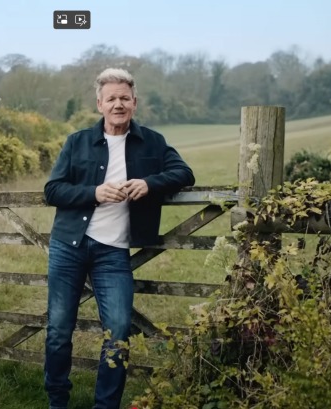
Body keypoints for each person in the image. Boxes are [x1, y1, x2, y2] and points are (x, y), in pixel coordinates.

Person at [43, 67, 196, 409]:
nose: (118, 104)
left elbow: (184, 172)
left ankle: (106, 405)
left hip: (113, 253)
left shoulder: (153, 142)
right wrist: (94, 193)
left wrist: (150, 184)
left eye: (124, 98)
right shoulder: (77, 141)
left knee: (119, 330)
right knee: (58, 330)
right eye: (111, 98)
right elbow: (52, 190)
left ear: (135, 103)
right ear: (99, 103)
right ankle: (57, 401)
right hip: (68, 247)